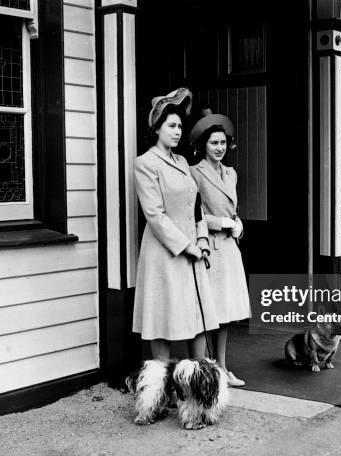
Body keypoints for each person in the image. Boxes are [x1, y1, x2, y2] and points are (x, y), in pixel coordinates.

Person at [133, 88, 219, 361]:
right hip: (165, 253)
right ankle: (160, 386)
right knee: (163, 318)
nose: (177, 131)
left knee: (198, 314)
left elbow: (196, 207)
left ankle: (199, 379)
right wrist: (187, 247)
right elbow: (155, 215)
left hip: (194, 248)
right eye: (171, 125)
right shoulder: (145, 163)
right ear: (157, 128)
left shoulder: (182, 161)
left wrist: (202, 239)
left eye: (180, 126)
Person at [189, 113, 251, 387]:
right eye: (214, 143)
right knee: (206, 311)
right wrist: (223, 223)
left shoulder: (231, 173)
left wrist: (238, 224)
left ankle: (223, 367)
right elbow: (195, 213)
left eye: (223, 142)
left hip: (229, 248)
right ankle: (204, 369)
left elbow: (232, 210)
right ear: (204, 145)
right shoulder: (195, 172)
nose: (219, 148)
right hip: (209, 248)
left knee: (225, 312)